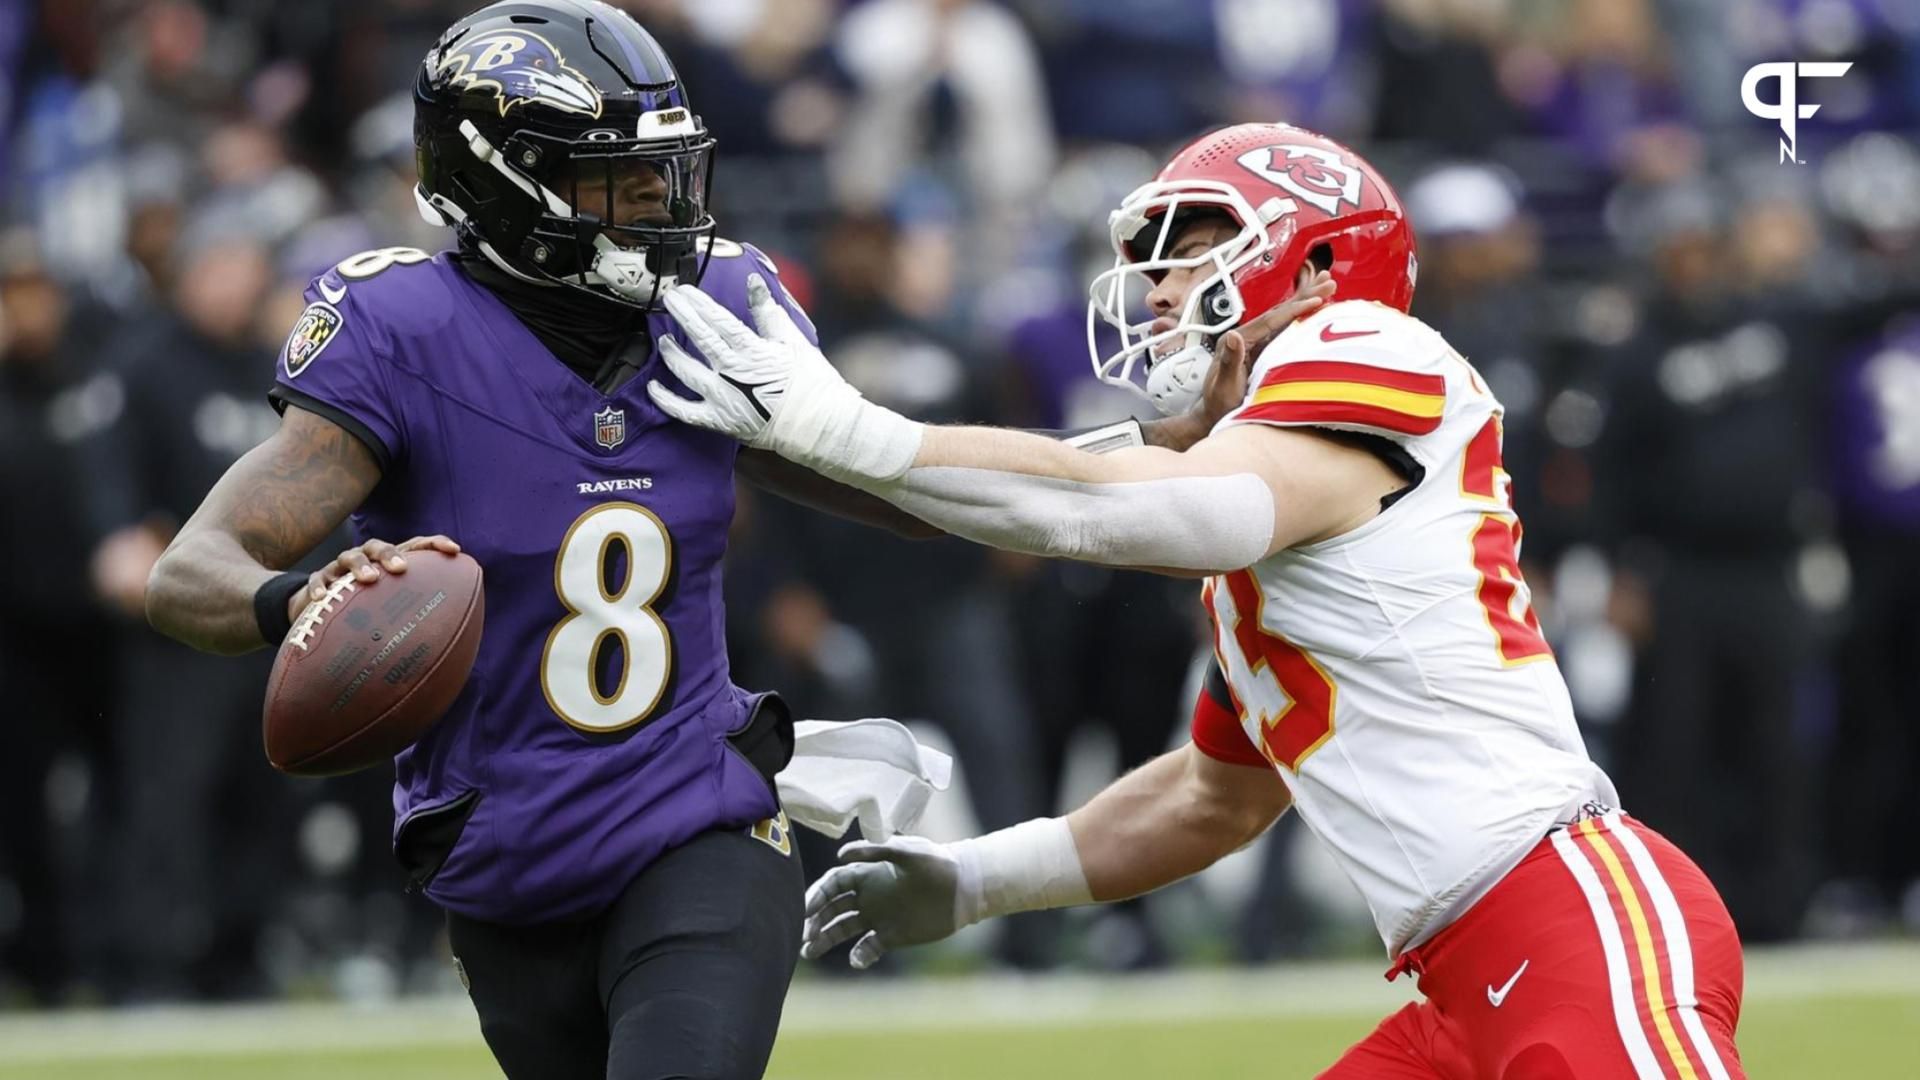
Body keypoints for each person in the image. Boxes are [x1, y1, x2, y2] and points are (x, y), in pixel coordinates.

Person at [143, 2, 1247, 1074]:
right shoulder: (404, 333)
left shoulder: (715, 306)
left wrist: (1142, 450)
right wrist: (299, 601)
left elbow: (912, 482)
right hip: (498, 853)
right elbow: (190, 574)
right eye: (610, 179)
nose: (656, 204)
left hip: (696, 823)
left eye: (661, 170)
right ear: (496, 179)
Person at [650, 122, 1748, 1078]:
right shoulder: (1276, 547)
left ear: (1316, 264)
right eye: (1155, 261)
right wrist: (977, 879)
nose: (1161, 287)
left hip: (1573, 926)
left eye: (1198, 247)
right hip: (1469, 979)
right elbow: (1209, 800)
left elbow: (1131, 507)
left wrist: (851, 428)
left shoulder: (1365, 344)